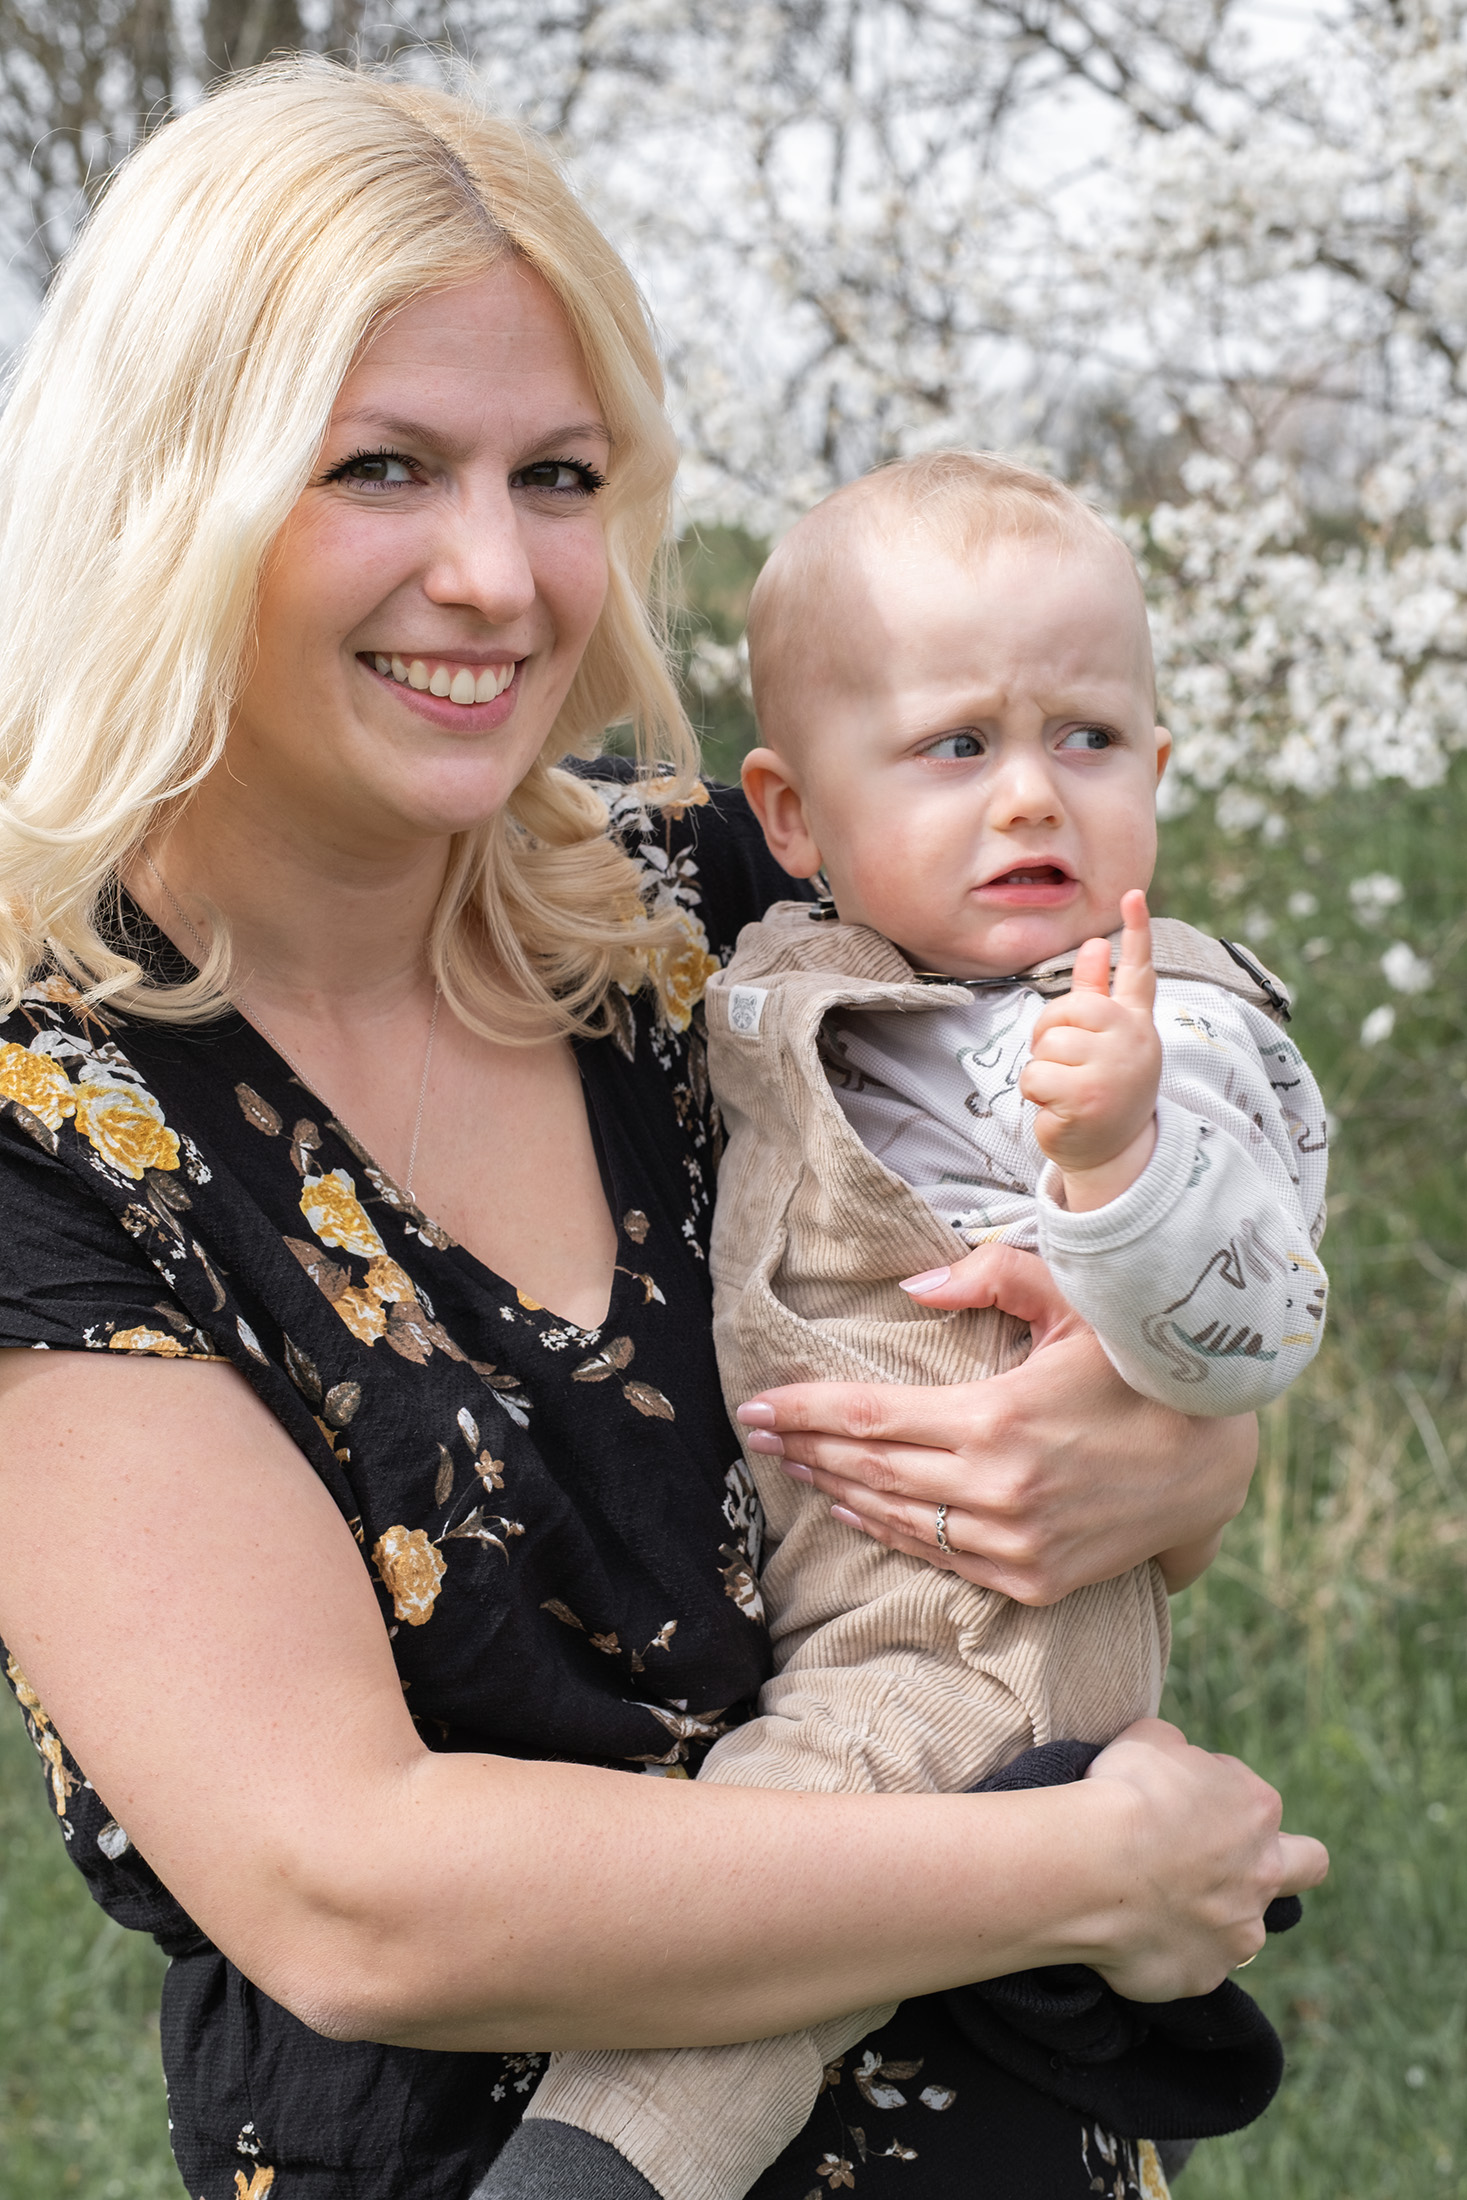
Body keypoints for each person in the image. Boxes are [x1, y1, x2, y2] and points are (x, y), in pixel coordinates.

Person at [0, 61, 1326, 2200]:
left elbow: (1131, 1269)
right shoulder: (58, 1132)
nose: (498, 575)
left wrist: (1170, 1439)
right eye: (382, 467)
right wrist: (1070, 1864)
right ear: (175, 495)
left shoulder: (731, 910)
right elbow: (354, 1885)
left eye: (555, 474)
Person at [512, 455, 1331, 2198]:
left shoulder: (1156, 1029)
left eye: (1092, 740)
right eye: (959, 746)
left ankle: (595, 2168)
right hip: (847, 1582)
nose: (1032, 796)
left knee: (783, 1864)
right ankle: (1098, 2005)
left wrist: (1116, 1187)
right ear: (794, 821)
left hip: (965, 1618)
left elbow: (1259, 1325)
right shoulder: (796, 958)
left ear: (1161, 771)